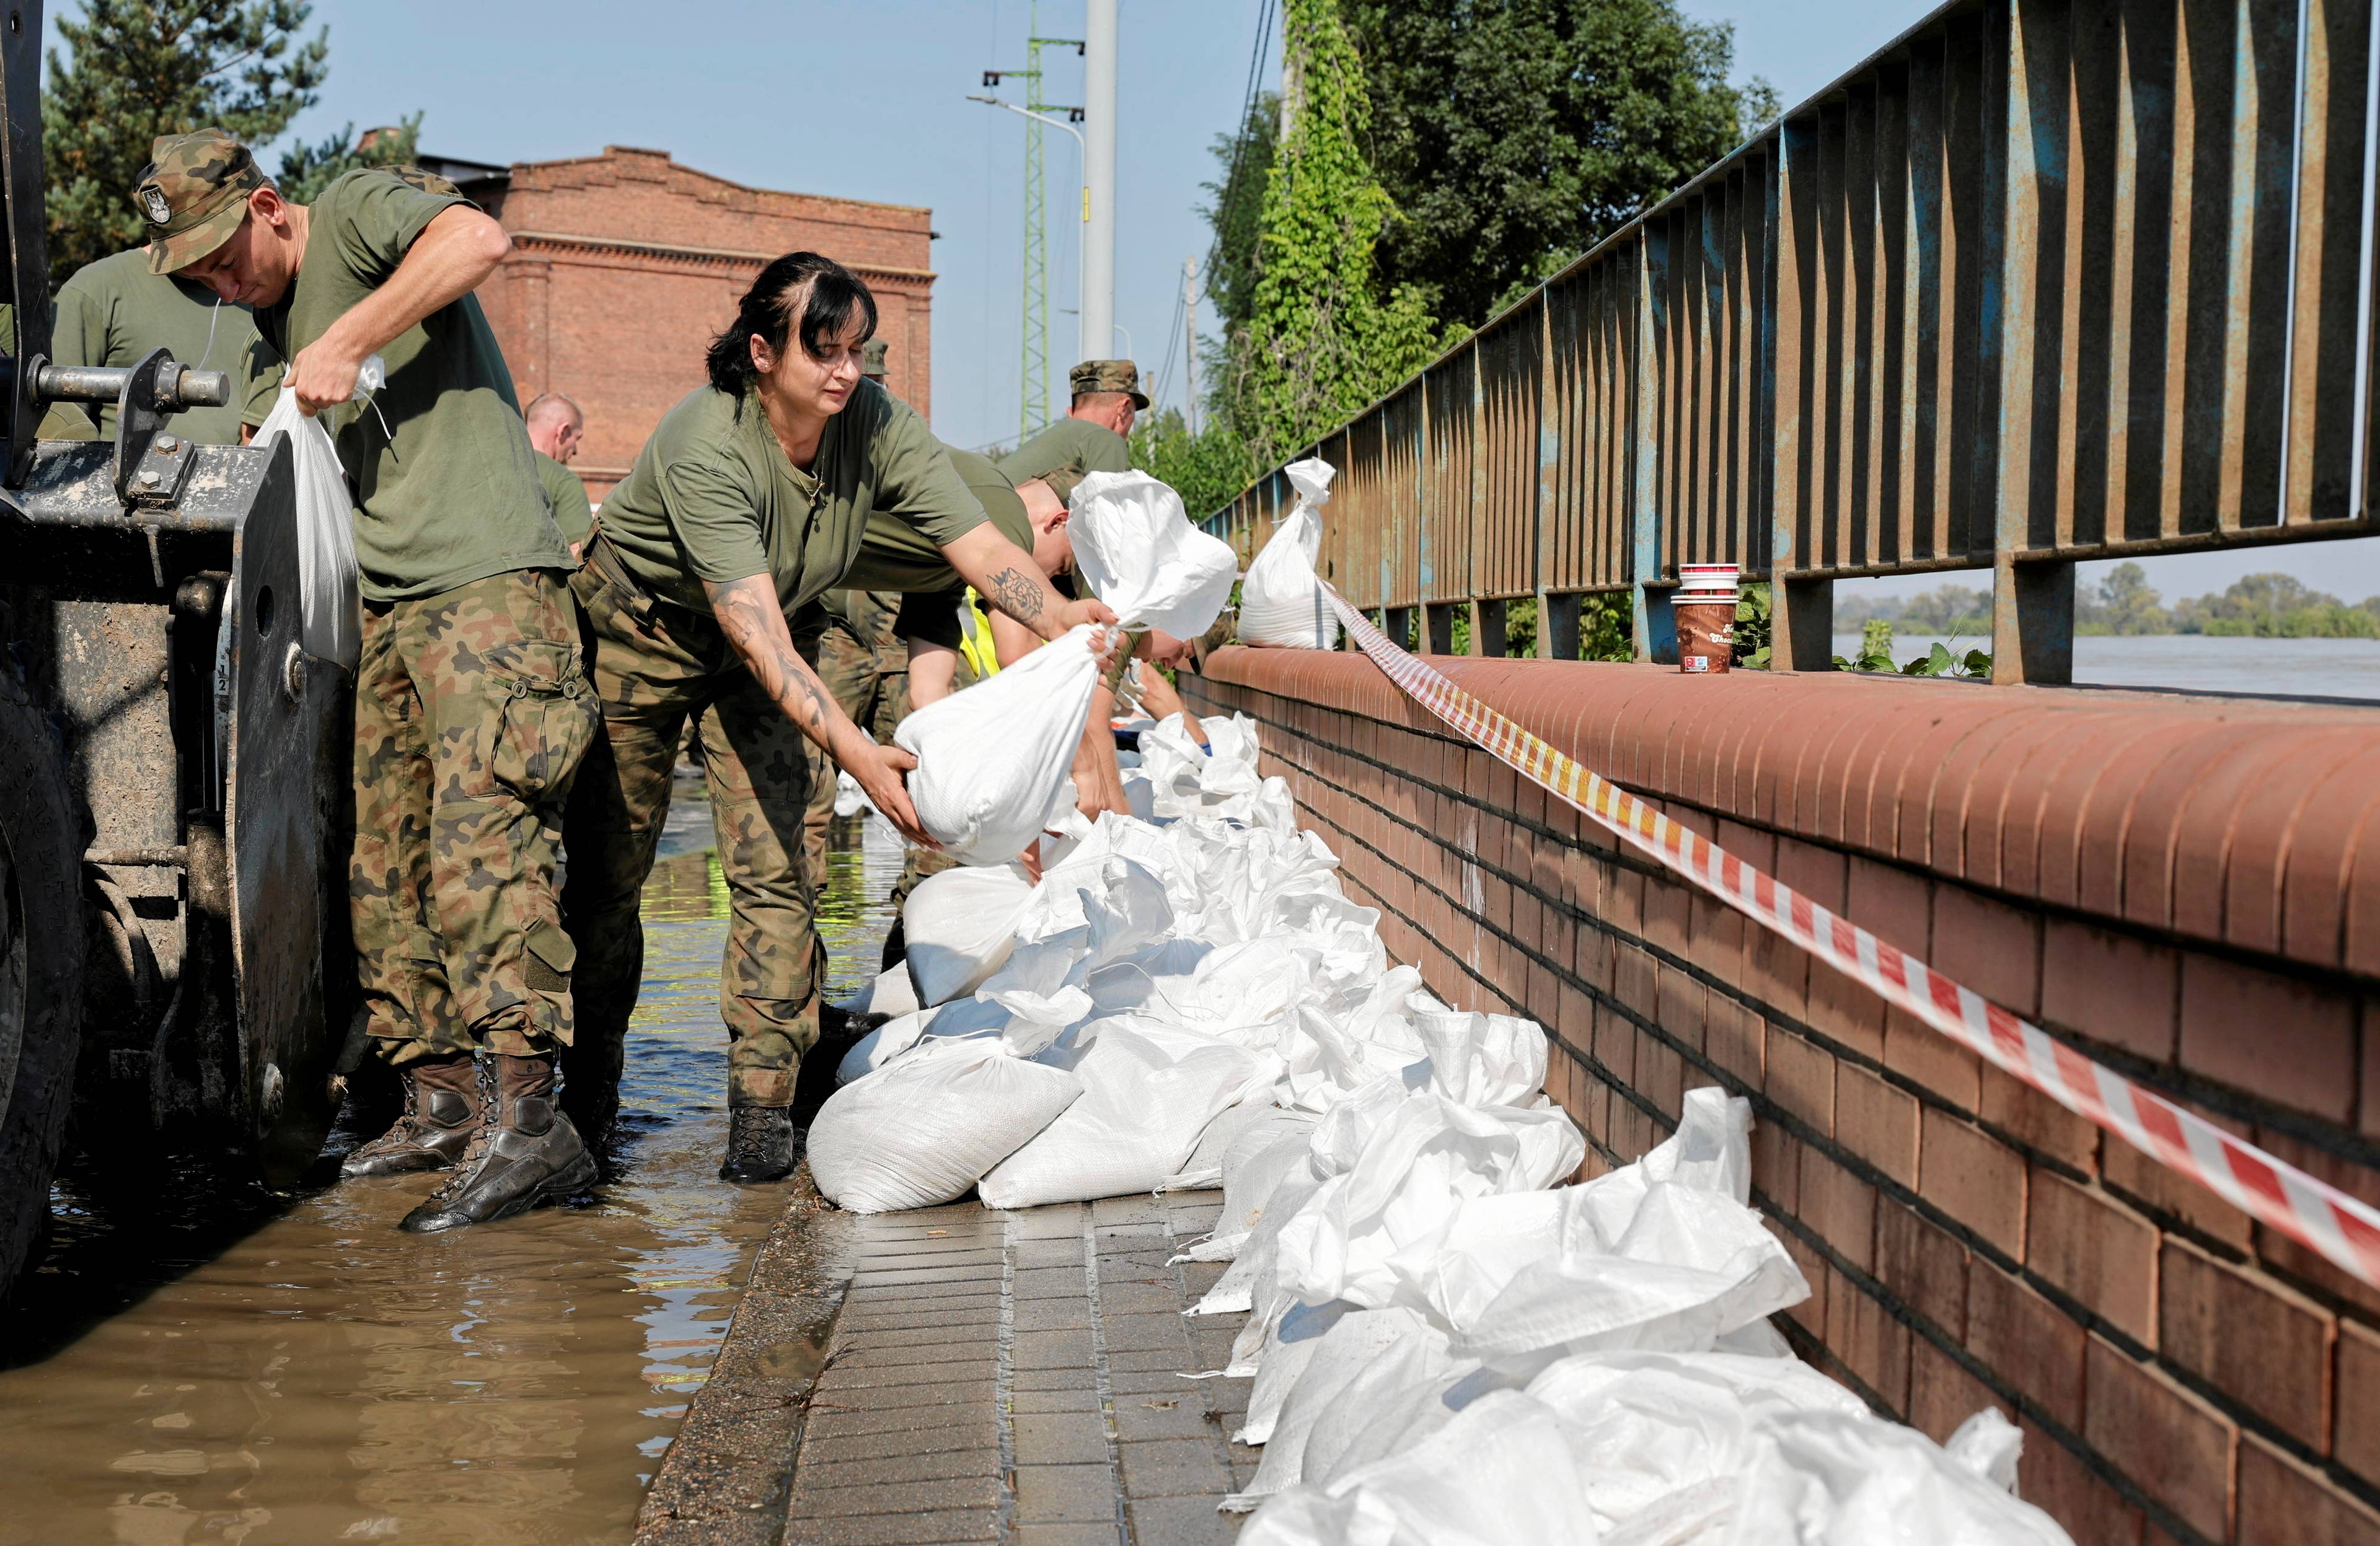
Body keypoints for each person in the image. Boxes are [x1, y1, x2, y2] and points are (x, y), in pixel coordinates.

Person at [558, 252, 1113, 1183]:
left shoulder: (877, 423)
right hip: (643, 633)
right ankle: (587, 1100)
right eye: (823, 350)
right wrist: (859, 750)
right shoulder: (707, 442)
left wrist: (1055, 617)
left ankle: (763, 1113)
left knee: (780, 865)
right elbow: (762, 644)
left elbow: (970, 541)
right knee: (612, 878)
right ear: (762, 352)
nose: (846, 371)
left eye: (856, 349)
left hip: (782, 623)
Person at [157, 128, 599, 1234]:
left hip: (489, 582)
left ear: (267, 205)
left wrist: (349, 335)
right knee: (386, 861)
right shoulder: (269, 323)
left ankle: (535, 1126)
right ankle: (442, 1100)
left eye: (225, 255)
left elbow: (478, 237)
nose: (221, 281)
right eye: (196, 275)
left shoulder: (352, 211)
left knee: (482, 844)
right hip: (390, 609)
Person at [40, 216, 266, 444]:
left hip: (248, 474)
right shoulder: (97, 289)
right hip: (129, 477)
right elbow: (56, 423)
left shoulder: (262, 296)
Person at [997, 358, 1143, 497]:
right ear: (1123, 409)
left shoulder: (1052, 442)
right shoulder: (1106, 439)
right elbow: (1104, 514)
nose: (1128, 433)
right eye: (1132, 414)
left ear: (1070, 413)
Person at [525, 391, 594, 556]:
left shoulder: (487, 466)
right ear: (563, 431)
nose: (575, 450)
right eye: (576, 438)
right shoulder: (565, 481)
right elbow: (579, 556)